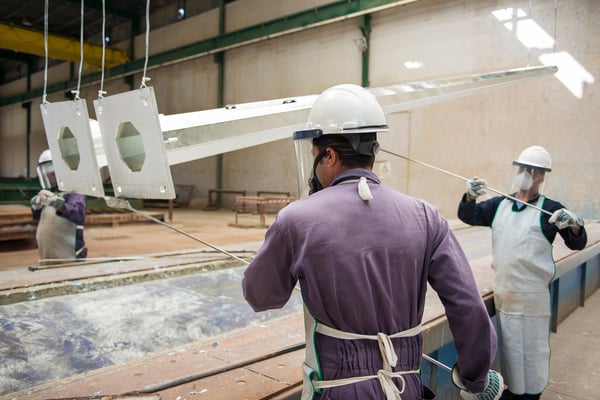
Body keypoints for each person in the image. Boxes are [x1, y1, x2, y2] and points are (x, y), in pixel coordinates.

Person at [242, 84, 503, 400]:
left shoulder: (297, 219)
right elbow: (467, 304)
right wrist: (474, 377)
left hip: (337, 391)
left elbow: (261, 297)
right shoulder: (426, 216)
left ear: (329, 155)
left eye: (315, 156)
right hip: (406, 387)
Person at [458, 145, 587, 400]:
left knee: (533, 357)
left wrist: (574, 225)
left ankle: (531, 396)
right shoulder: (500, 205)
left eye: (534, 170)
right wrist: (470, 196)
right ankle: (515, 394)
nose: (527, 173)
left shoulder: (549, 211)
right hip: (506, 297)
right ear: (517, 170)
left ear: (542, 176)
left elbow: (576, 242)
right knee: (513, 357)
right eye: (524, 168)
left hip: (532, 300)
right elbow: (468, 214)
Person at [30, 149, 88, 260]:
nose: (51, 177)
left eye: (53, 174)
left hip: (70, 257)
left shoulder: (74, 191)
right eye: (48, 174)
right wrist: (35, 207)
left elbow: (78, 214)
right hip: (47, 257)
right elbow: (38, 219)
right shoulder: (47, 194)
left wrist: (59, 205)